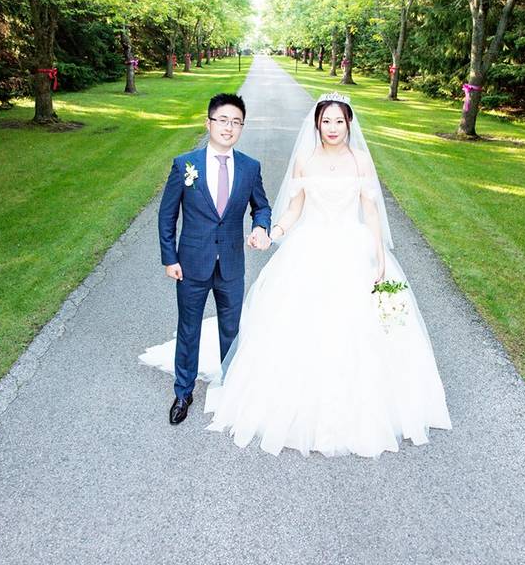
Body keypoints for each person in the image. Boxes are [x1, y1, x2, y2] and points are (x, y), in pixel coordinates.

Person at [143, 92, 451, 456]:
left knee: (353, 328)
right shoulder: (304, 160)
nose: (332, 128)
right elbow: (292, 209)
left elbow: (371, 213)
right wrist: (272, 233)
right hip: (308, 248)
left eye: (339, 121)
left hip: (352, 250)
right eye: (326, 121)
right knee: (290, 323)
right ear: (317, 124)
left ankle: (352, 404)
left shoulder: (362, 161)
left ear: (349, 123)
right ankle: (201, 390)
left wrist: (379, 258)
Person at [155, 93, 272, 426]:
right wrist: (169, 257)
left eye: (236, 122)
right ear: (209, 123)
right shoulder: (185, 164)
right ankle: (183, 392)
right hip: (191, 263)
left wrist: (261, 226)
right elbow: (167, 216)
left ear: (241, 128)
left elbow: (261, 206)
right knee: (188, 329)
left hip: (232, 264)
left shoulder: (250, 167)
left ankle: (233, 389)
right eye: (223, 120)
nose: (229, 127)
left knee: (231, 330)